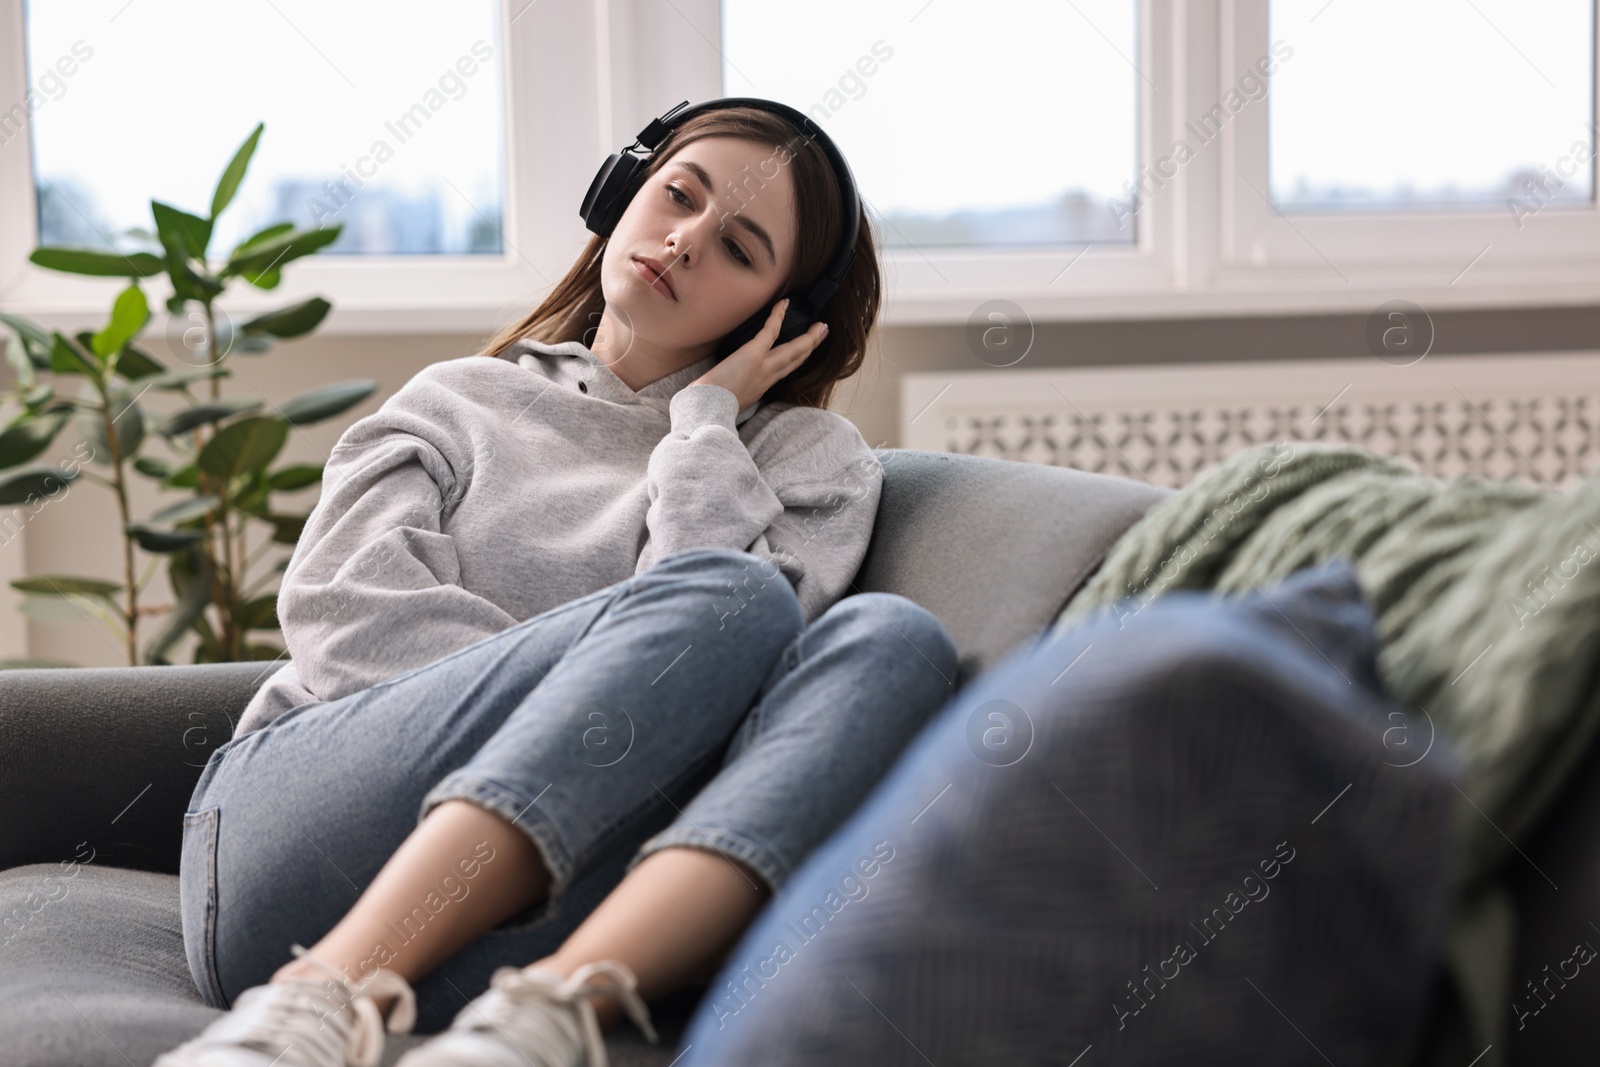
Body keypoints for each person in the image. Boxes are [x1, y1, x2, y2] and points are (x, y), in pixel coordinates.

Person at [155, 99, 959, 1067]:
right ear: (620, 192)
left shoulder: (807, 462)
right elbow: (343, 616)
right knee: (731, 598)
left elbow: (708, 686)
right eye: (677, 194)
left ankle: (544, 1016)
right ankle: (315, 996)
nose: (686, 239)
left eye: (740, 247)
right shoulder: (458, 399)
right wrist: (584, 704)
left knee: (893, 637)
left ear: (782, 312)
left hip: (535, 921)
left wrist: (703, 425)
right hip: (293, 853)